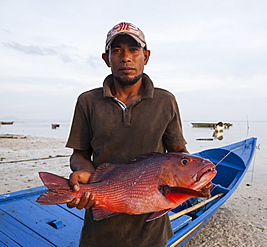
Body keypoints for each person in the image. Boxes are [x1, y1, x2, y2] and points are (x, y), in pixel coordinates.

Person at [65, 22, 189, 247]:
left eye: (134, 50)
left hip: (152, 232)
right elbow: (79, 154)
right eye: (117, 50)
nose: (126, 57)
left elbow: (178, 153)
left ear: (146, 56)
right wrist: (85, 174)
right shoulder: (88, 101)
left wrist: (195, 179)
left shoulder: (165, 101)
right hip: (100, 229)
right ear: (106, 58)